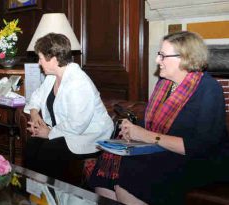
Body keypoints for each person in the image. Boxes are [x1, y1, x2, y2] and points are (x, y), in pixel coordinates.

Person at [89, 31, 229, 204]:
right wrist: (131, 130)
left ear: (184, 57)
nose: (157, 61)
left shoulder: (209, 88)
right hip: (164, 150)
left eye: (163, 56)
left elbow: (200, 146)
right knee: (108, 162)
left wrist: (146, 135)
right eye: (159, 55)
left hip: (202, 161)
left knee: (132, 170)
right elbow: (151, 122)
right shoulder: (164, 85)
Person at [24, 33, 114, 178]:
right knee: (32, 145)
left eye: (40, 58)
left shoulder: (78, 83)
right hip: (66, 132)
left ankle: (52, 195)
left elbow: (77, 124)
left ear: (53, 59)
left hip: (89, 136)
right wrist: (34, 113)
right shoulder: (52, 77)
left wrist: (49, 133)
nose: (39, 63)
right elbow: (37, 96)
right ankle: (33, 193)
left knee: (48, 150)